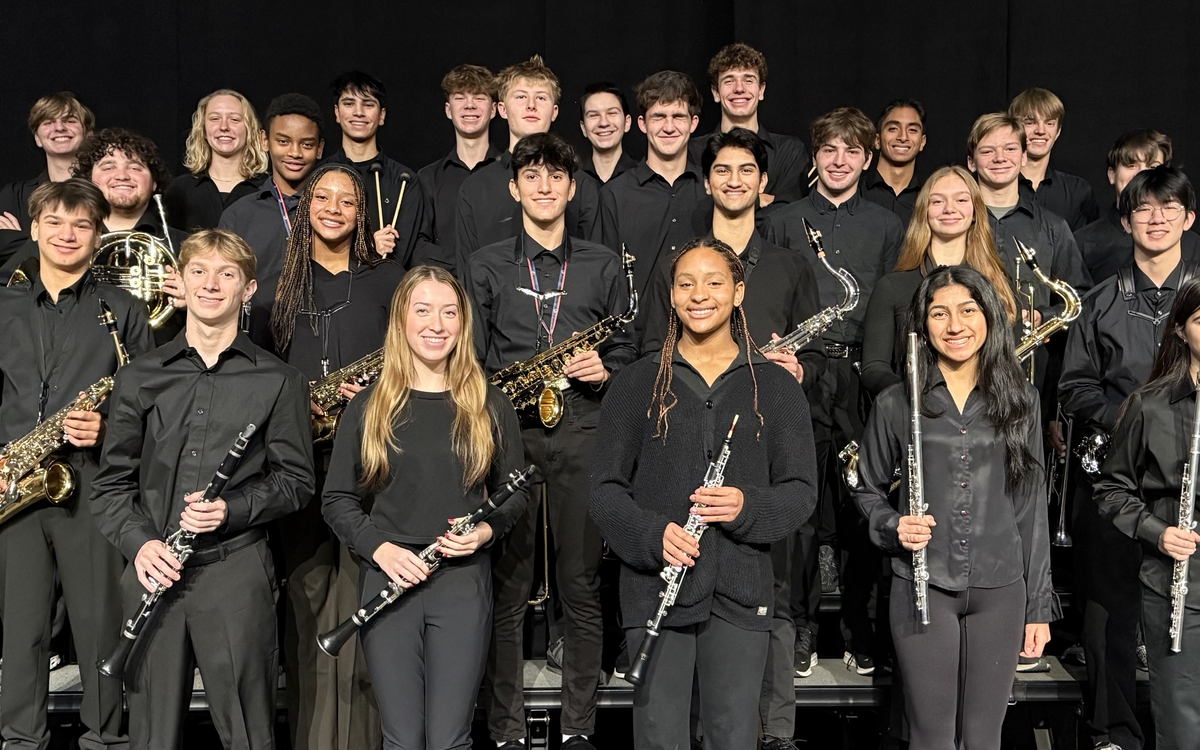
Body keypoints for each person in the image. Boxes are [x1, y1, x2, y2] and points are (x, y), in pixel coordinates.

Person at [91, 228, 315, 750]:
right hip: (152, 570)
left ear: (248, 289)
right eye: (199, 272)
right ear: (180, 282)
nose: (211, 285)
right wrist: (140, 545)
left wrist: (229, 510)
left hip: (235, 575)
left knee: (248, 733)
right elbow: (111, 484)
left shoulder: (278, 379)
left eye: (227, 274)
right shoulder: (140, 376)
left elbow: (297, 482)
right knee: (152, 735)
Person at [590, 237, 817, 750]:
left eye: (714, 282)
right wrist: (653, 535)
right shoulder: (637, 382)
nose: (699, 294)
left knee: (733, 737)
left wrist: (746, 506)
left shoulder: (776, 387)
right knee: (658, 739)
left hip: (740, 592)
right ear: (671, 296)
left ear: (738, 292)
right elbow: (604, 490)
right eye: (686, 283)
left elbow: (803, 493)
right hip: (656, 591)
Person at [638, 128, 824, 748]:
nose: (735, 179)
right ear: (708, 179)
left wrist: (797, 372)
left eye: (748, 170)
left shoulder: (792, 264)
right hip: (683, 469)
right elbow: (648, 358)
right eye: (723, 169)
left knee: (762, 622)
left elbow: (820, 362)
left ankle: (774, 732)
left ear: (764, 185)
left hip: (762, 451)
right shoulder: (682, 260)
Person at [469, 132, 637, 750]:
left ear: (572, 187)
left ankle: (579, 731)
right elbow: (472, 359)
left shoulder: (600, 262)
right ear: (514, 189)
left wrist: (607, 370)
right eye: (530, 177)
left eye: (555, 177)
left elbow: (629, 350)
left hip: (583, 433)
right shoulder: (487, 264)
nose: (544, 187)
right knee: (507, 590)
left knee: (581, 586)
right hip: (509, 435)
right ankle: (507, 732)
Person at [323, 265, 529, 750]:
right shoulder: (369, 405)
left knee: (449, 739)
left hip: (461, 582)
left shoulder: (489, 404)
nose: (436, 324)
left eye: (449, 312)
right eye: (423, 310)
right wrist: (381, 550)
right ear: (400, 321)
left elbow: (516, 493)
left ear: (463, 323)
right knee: (402, 738)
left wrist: (483, 533)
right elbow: (337, 500)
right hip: (389, 578)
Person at [853, 265, 1057, 750]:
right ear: (922, 327)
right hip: (924, 584)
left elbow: (1031, 508)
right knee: (931, 737)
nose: (954, 325)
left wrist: (1038, 607)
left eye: (968, 310)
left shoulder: (1022, 401)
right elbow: (865, 489)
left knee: (984, 738)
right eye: (939, 313)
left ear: (989, 316)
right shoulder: (897, 403)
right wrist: (891, 525)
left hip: (1001, 590)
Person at [247, 163, 402, 750]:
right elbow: (258, 376)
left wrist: (376, 392)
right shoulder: (277, 284)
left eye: (347, 200)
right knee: (308, 600)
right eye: (322, 197)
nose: (334, 207)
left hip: (374, 461)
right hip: (300, 465)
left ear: (362, 214)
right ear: (304, 206)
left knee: (370, 598)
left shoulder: (390, 280)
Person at [0, 178, 153, 750]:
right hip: (17, 483)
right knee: (22, 631)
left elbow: (149, 406)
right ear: (34, 228)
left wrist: (108, 428)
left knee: (99, 624)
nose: (68, 235)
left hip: (90, 484)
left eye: (82, 225)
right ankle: (19, 739)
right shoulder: (3, 305)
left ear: (98, 235)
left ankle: (106, 737)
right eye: (56, 223)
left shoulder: (125, 310)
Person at [1060, 166, 1199, 750]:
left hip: (1187, 480)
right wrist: (1135, 420)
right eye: (1143, 209)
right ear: (1125, 222)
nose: (1157, 218)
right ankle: (1113, 729)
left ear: (1189, 219)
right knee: (1109, 608)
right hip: (1119, 474)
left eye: (1169, 208)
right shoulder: (1100, 301)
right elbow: (1074, 386)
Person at [767, 106, 906, 676]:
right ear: (815, 157)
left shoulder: (888, 224)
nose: (840, 160)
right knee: (800, 508)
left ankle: (859, 627)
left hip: (862, 379)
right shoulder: (782, 220)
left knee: (857, 506)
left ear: (867, 159)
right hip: (797, 372)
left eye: (852, 151)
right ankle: (798, 627)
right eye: (829, 150)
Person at [1095, 275, 1200, 750]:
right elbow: (1111, 489)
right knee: (1182, 727)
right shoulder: (1149, 404)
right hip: (1177, 587)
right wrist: (1157, 532)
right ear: (1180, 329)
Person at [861, 165, 1017, 398]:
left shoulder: (998, 284)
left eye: (961, 200)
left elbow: (1010, 361)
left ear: (976, 211)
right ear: (924, 211)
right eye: (937, 201)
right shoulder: (892, 287)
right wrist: (915, 398)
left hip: (984, 418)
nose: (949, 209)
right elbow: (874, 368)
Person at [455, 55, 600, 278]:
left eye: (541, 98)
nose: (531, 105)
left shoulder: (582, 185)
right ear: (502, 109)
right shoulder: (475, 187)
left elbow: (594, 266)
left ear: (554, 111)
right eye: (521, 96)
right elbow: (467, 272)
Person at [597, 70, 707, 308]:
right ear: (642, 124)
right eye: (658, 116)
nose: (669, 127)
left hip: (705, 336)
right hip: (638, 339)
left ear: (693, 123)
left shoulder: (712, 189)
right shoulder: (614, 195)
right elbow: (605, 281)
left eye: (678, 116)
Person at [324, 71, 427, 267]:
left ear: (381, 116)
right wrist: (368, 248)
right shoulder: (321, 176)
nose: (358, 112)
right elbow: (315, 249)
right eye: (349, 103)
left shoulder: (405, 181)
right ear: (337, 113)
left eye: (368, 104)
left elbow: (399, 257)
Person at [687, 43, 811, 206]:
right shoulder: (693, 152)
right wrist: (761, 199)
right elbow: (694, 209)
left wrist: (727, 199)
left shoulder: (790, 152)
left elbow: (791, 212)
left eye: (748, 80)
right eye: (729, 81)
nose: (739, 88)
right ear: (716, 93)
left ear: (761, 90)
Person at [220, 93, 325, 282]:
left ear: (320, 148)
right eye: (283, 142)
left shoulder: (334, 212)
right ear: (264, 140)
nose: (295, 153)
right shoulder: (239, 215)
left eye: (307, 144)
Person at [1075, 130, 1199, 285]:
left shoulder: (1192, 243)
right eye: (1130, 165)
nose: (1141, 174)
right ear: (1112, 174)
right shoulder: (1081, 243)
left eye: (1152, 166)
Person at [416, 64, 500, 271]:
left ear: (494, 110)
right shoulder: (428, 178)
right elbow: (418, 247)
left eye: (479, 97)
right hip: (446, 293)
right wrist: (467, 267)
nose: (469, 105)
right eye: (460, 97)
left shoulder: (512, 174)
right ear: (448, 110)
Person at [0, 92, 94, 258]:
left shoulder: (104, 190)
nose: (59, 128)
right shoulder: (14, 195)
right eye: (48, 122)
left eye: (70, 121)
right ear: (37, 138)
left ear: (88, 134)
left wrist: (24, 242)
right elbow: (2, 249)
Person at [163, 89, 268, 231]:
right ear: (204, 129)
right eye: (215, 118)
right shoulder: (180, 190)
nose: (224, 127)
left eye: (234, 119)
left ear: (249, 129)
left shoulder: (267, 190)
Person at [1008, 87, 1099, 231]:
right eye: (1030, 122)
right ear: (1015, 129)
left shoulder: (1078, 191)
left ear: (1058, 132)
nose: (1040, 130)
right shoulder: (997, 186)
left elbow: (1083, 248)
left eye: (1049, 123)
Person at [860, 99, 927, 225]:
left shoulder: (930, 198)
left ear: (922, 142)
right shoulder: (855, 193)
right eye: (893, 128)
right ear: (877, 140)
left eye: (912, 130)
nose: (903, 137)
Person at [578, 82, 635, 184]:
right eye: (594, 115)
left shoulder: (644, 180)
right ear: (583, 128)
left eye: (612, 113)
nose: (603, 123)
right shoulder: (570, 181)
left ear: (627, 122)